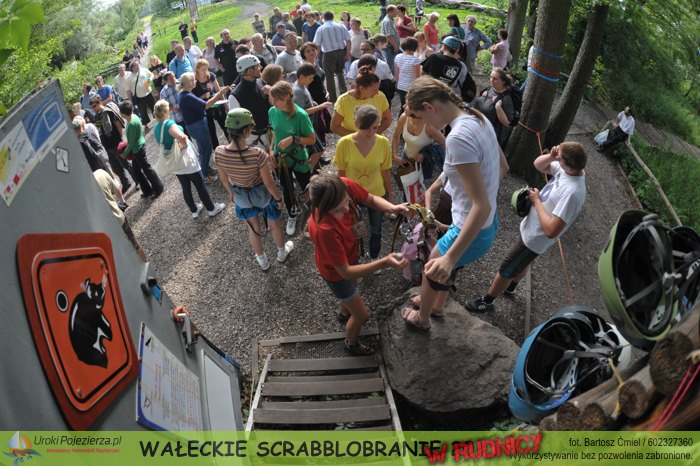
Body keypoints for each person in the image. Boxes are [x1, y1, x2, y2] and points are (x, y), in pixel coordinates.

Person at [400, 76, 508, 330]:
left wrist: (450, 258)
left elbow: (480, 205)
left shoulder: (458, 138)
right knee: (441, 266)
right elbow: (503, 167)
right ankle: (435, 305)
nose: (425, 124)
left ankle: (422, 319)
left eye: (421, 117)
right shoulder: (477, 117)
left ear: (429, 107)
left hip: (471, 226)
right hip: (487, 224)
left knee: (433, 267)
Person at [467, 143, 587, 312]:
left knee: (506, 268)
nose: (558, 162)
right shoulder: (567, 170)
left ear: (571, 167)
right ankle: (511, 287)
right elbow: (538, 165)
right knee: (522, 262)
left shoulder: (572, 193)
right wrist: (551, 157)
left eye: (560, 160)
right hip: (531, 229)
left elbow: (552, 230)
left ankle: (487, 302)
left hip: (535, 238)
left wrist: (536, 201)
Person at [307, 174, 408, 355]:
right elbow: (345, 272)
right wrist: (384, 262)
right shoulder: (324, 229)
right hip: (336, 274)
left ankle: (344, 312)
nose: (346, 209)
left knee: (350, 292)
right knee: (362, 315)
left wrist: (392, 207)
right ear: (323, 208)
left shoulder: (342, 185)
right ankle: (351, 343)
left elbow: (370, 199)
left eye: (347, 201)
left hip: (348, 258)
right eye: (338, 210)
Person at [214, 108, 293, 270]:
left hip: (241, 195)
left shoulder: (219, 152)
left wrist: (231, 194)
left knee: (254, 229)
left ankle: (262, 261)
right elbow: (269, 183)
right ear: (246, 131)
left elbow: (224, 178)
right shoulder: (257, 153)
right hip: (262, 194)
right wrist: (279, 199)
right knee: (274, 225)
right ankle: (281, 253)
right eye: (251, 127)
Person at [333, 105, 393, 265]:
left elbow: (385, 172)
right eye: (366, 128)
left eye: (375, 127)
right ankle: (356, 255)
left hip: (376, 193)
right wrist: (340, 197)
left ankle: (374, 256)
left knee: (376, 229)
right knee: (352, 229)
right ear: (356, 123)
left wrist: (390, 197)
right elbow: (341, 174)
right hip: (352, 195)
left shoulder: (383, 143)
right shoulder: (344, 143)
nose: (371, 132)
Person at [153, 99, 225, 219]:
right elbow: (181, 137)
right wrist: (184, 145)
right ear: (166, 111)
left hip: (175, 161)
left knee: (185, 187)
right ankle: (211, 208)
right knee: (199, 185)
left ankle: (194, 210)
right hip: (185, 159)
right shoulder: (169, 123)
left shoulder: (156, 127)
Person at [268, 81, 317, 235]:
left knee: (307, 187)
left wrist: (293, 139)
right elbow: (274, 132)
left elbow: (312, 139)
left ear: (287, 98)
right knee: (286, 187)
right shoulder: (272, 111)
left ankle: (314, 215)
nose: (273, 102)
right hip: (280, 158)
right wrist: (271, 150)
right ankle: (292, 213)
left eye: (277, 99)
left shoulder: (300, 115)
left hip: (298, 157)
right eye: (272, 98)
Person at [178, 72, 230, 182]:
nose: (196, 81)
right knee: (206, 149)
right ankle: (205, 175)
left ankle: (205, 170)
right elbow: (205, 105)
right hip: (197, 126)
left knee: (203, 149)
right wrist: (219, 93)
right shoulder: (187, 96)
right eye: (193, 80)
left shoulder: (185, 94)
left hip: (196, 125)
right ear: (188, 83)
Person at [94, 168, 147, 261]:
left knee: (116, 257)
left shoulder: (79, 192)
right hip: (118, 218)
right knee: (135, 246)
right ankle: (146, 266)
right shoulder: (100, 174)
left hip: (101, 229)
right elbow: (118, 192)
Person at [119, 101, 164, 198]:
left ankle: (158, 188)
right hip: (139, 147)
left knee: (147, 170)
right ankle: (147, 191)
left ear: (123, 114)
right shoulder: (134, 116)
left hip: (138, 149)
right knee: (137, 172)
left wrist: (125, 153)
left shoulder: (131, 123)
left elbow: (131, 143)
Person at [90, 95, 135, 192]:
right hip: (106, 145)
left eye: (94, 106)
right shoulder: (96, 116)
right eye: (92, 107)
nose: (93, 109)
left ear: (100, 103)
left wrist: (119, 138)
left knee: (125, 163)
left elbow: (118, 125)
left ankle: (138, 180)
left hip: (115, 142)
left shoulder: (108, 112)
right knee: (116, 167)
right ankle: (126, 183)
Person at [331, 67, 392, 136]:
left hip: (375, 139)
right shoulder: (343, 101)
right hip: (352, 141)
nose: (377, 93)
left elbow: (387, 119)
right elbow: (334, 127)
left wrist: (374, 134)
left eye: (377, 89)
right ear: (362, 89)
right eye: (374, 90)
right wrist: (358, 137)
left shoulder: (380, 96)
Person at [227, 55, 272, 150]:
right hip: (251, 140)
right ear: (250, 71)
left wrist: (272, 94)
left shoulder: (261, 82)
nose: (261, 67)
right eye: (258, 66)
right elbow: (236, 125)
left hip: (268, 134)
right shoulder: (235, 96)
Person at [392, 108, 446, 181]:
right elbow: (395, 137)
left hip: (423, 164)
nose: (404, 106)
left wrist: (425, 153)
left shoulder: (430, 127)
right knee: (405, 184)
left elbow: (446, 145)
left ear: (417, 108)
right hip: (405, 158)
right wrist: (395, 155)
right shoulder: (404, 117)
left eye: (407, 104)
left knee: (419, 186)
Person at [294, 63, 331, 168]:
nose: (312, 80)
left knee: (313, 150)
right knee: (318, 150)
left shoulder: (302, 86)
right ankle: (308, 170)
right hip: (304, 126)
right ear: (302, 77)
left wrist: (313, 104)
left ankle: (310, 168)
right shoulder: (298, 91)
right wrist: (319, 107)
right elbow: (301, 112)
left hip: (309, 124)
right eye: (310, 78)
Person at [472, 67, 515, 149]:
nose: (491, 80)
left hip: (490, 138)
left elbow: (507, 123)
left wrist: (498, 107)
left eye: (495, 79)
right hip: (479, 132)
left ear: (503, 81)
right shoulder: (490, 89)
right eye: (491, 77)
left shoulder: (506, 98)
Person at [313, 11, 351, 103]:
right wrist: (348, 53)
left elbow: (317, 45)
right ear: (333, 17)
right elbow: (348, 40)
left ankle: (333, 97)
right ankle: (344, 93)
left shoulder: (321, 29)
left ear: (324, 18)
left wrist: (316, 58)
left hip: (329, 54)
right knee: (340, 72)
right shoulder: (341, 26)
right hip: (341, 52)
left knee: (329, 75)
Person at [422, 36, 474, 103]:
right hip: (444, 97)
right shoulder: (460, 65)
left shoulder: (434, 57)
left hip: (429, 93)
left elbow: (422, 75)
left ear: (444, 46)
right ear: (457, 50)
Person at [193, 59, 228, 148]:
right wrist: (203, 96)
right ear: (197, 69)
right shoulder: (194, 81)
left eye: (206, 69)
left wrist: (225, 105)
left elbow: (219, 91)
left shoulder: (211, 76)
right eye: (203, 69)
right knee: (211, 132)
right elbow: (193, 100)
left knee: (226, 127)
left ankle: (233, 147)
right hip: (205, 108)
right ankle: (216, 150)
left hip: (217, 105)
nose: (205, 71)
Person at [394, 37, 421, 113]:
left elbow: (396, 74)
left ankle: (400, 119)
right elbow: (417, 77)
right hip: (410, 87)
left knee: (403, 106)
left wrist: (397, 84)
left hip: (400, 86)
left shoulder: (397, 57)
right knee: (411, 108)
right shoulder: (415, 60)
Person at [126, 59, 156, 128]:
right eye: (136, 65)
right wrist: (130, 101)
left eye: (138, 64)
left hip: (149, 93)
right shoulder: (129, 77)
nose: (138, 66)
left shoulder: (144, 70)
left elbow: (151, 75)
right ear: (132, 68)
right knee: (143, 112)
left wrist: (149, 79)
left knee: (154, 107)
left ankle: (158, 120)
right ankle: (146, 126)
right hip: (139, 97)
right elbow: (128, 91)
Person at [159, 71, 188, 136]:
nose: (173, 79)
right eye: (170, 78)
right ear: (166, 81)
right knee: (184, 136)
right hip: (177, 119)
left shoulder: (181, 83)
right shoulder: (163, 93)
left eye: (174, 77)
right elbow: (163, 107)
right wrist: (173, 108)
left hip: (187, 114)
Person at [380, 5, 400, 71]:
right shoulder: (388, 21)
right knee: (390, 66)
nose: (397, 12)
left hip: (392, 47)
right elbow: (389, 36)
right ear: (390, 12)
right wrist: (395, 47)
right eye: (396, 11)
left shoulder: (391, 20)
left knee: (394, 65)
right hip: (390, 47)